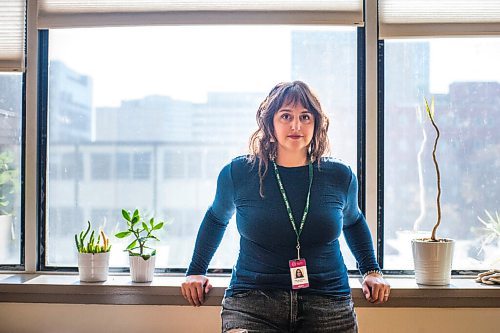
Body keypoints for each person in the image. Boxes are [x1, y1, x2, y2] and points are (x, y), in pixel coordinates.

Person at [181, 81, 390, 332]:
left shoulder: (340, 175)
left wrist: (371, 270)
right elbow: (216, 218)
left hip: (327, 302)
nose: (296, 125)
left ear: (316, 125)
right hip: (253, 302)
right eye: (286, 116)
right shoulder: (238, 173)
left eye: (305, 117)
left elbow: (353, 221)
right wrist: (195, 271)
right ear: (270, 125)